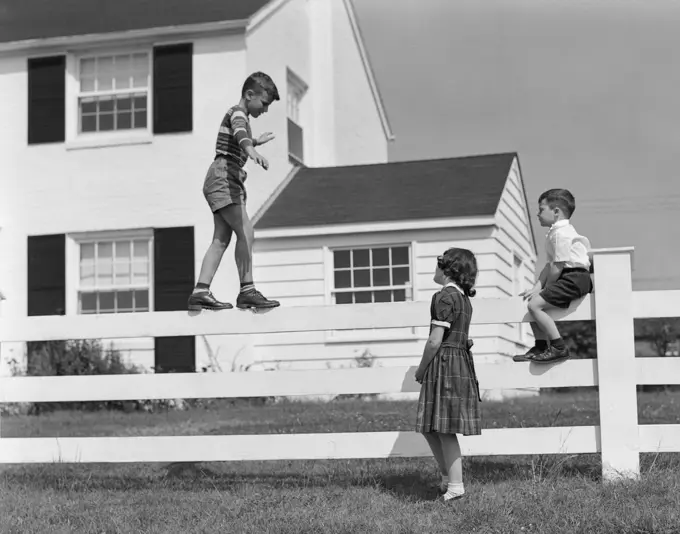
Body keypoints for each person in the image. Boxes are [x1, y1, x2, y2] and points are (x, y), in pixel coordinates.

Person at [188, 72, 281, 312]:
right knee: (246, 232)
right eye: (264, 103)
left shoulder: (239, 116)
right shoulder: (238, 113)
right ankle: (247, 290)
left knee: (221, 239)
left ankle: (200, 291)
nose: (265, 110)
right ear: (249, 95)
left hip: (222, 177)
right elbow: (239, 134)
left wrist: (255, 142)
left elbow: (239, 135)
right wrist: (251, 149)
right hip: (224, 176)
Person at [415, 247, 482, 502]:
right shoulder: (463, 298)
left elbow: (434, 341)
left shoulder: (444, 297)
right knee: (431, 426)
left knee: (443, 428)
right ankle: (446, 477)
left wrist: (421, 370)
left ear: (447, 269)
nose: (435, 268)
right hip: (456, 363)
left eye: (438, 264)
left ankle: (456, 485)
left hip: (445, 363)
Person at [514, 188, 592, 364]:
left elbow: (557, 267)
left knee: (535, 305)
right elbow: (549, 266)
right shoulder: (555, 233)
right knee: (533, 301)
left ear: (556, 212)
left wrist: (547, 288)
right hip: (569, 276)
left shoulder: (560, 234)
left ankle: (558, 347)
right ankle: (541, 346)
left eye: (541, 209)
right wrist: (537, 288)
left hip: (574, 277)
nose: (537, 214)